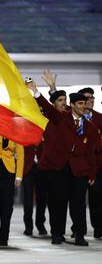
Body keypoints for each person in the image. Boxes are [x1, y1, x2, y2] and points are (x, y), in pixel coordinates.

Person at [27, 79, 98, 246]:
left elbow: (91, 154)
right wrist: (35, 91)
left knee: (79, 205)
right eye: (80, 103)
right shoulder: (61, 118)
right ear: (72, 105)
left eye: (85, 103)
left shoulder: (91, 128)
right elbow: (48, 108)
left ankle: (80, 235)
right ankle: (57, 234)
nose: (83, 106)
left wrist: (92, 173)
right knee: (58, 203)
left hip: (79, 172)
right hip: (60, 170)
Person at [77, 87, 102, 239]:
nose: (91, 100)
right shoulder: (73, 117)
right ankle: (79, 229)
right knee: (77, 199)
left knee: (96, 197)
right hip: (78, 165)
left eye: (92, 97)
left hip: (97, 165)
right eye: (87, 98)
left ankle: (98, 227)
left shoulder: (100, 118)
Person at [21, 144, 48, 236]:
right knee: (28, 198)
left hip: (42, 167)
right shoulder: (26, 130)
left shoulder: (44, 131)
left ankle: (40, 224)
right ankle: (28, 226)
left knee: (42, 197)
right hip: (28, 167)